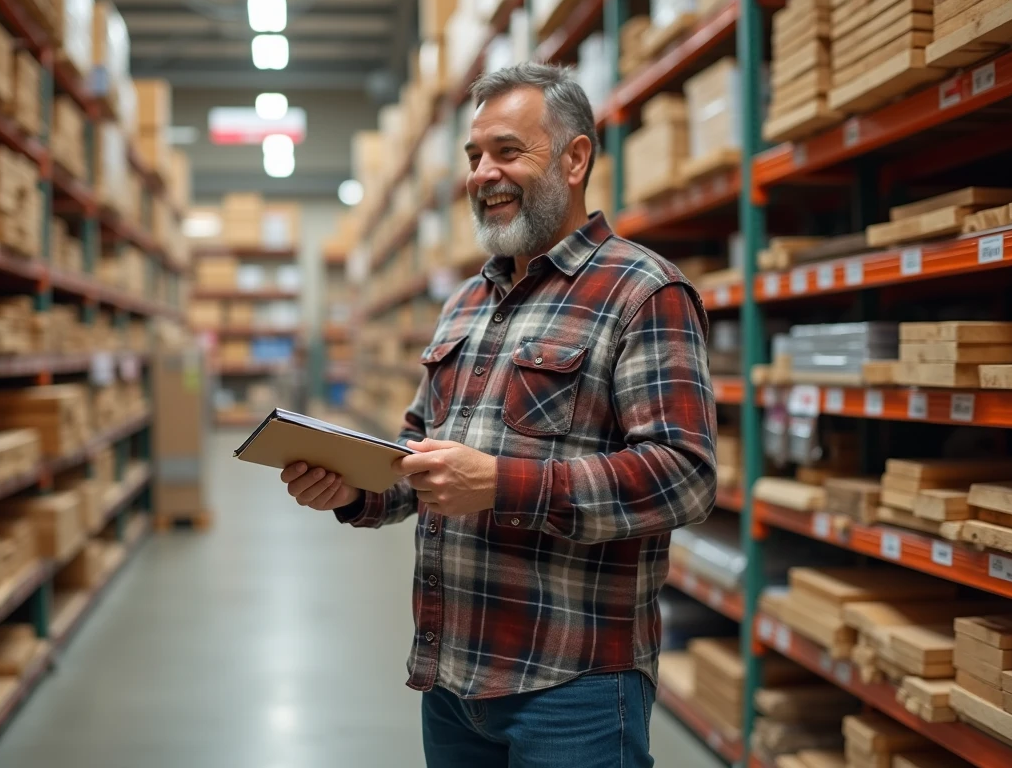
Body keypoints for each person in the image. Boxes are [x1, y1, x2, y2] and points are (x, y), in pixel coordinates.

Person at [280, 63, 717, 768]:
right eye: (474, 157)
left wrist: (504, 485)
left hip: (570, 686)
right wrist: (357, 487)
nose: (484, 174)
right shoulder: (466, 305)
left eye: (508, 152)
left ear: (575, 159)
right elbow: (418, 455)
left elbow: (685, 476)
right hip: (451, 679)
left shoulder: (643, 292)